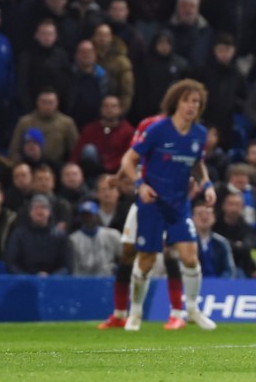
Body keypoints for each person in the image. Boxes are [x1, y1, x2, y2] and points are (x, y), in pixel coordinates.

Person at [120, 80, 217, 331]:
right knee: (147, 260)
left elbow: (197, 163)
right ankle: (136, 313)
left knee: (189, 257)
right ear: (176, 102)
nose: (191, 106)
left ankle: (193, 309)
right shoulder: (157, 130)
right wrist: (140, 185)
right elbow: (128, 160)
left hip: (179, 204)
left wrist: (206, 183)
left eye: (196, 102)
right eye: (187, 100)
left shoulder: (199, 134)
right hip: (152, 203)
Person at [97, 114, 188, 330]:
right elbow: (133, 157)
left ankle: (177, 314)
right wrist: (119, 178)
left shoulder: (182, 133)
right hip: (143, 201)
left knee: (169, 252)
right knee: (127, 252)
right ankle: (119, 314)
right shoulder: (146, 125)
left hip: (167, 202)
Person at [69, 200, 121, 277]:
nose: (88, 218)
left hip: (106, 279)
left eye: (90, 215)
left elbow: (122, 258)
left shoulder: (112, 235)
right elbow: (74, 267)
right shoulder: (73, 240)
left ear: (97, 215)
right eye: (84, 216)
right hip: (83, 280)